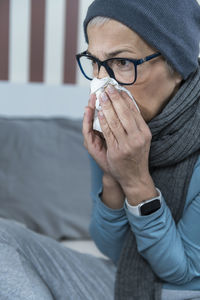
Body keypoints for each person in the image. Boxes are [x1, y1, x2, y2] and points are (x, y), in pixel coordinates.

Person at [0, 0, 199, 300]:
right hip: (127, 281)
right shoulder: (113, 134)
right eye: (95, 62)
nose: (102, 84)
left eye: (122, 62)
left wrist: (136, 183)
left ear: (177, 66)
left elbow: (181, 274)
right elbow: (115, 251)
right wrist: (110, 177)